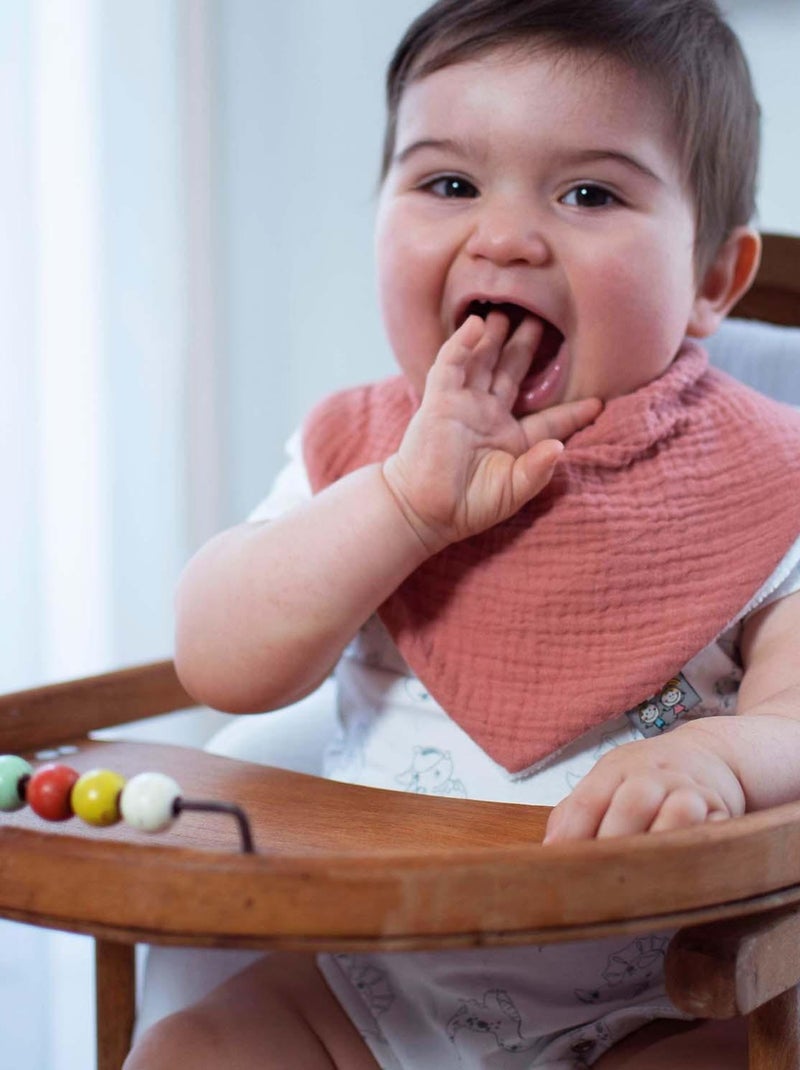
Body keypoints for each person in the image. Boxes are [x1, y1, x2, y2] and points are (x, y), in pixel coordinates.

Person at [125, 1, 800, 1067]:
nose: (503, 236)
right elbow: (219, 657)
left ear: (712, 277)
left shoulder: (772, 474)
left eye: (587, 192)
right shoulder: (356, 449)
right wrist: (400, 505)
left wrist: (717, 752)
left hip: (670, 984)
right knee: (196, 1046)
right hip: (365, 975)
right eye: (447, 182)